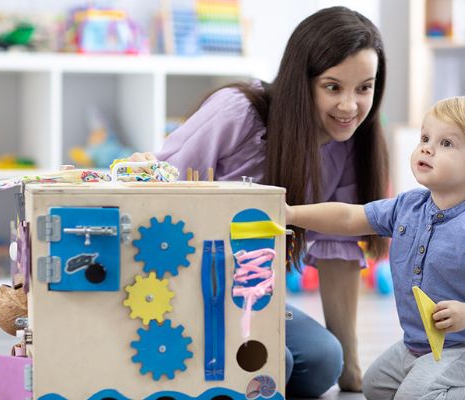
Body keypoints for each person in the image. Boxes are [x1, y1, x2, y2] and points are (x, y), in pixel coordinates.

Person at [128, 6, 389, 396]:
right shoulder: (240, 111)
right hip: (183, 287)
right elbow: (166, 187)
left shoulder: (350, 147)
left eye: (364, 88)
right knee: (270, 365)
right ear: (303, 81)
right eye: (333, 87)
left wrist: (351, 370)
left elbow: (338, 255)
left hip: (252, 299)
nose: (350, 107)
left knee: (324, 362)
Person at [286, 96, 465, 399]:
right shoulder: (408, 206)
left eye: (446, 144)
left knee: (412, 397)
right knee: (375, 386)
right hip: (419, 343)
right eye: (426, 138)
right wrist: (293, 214)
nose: (427, 148)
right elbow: (350, 216)